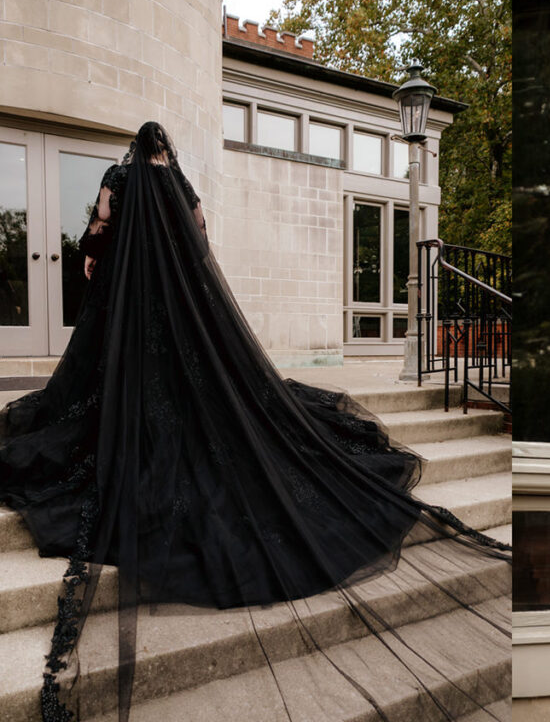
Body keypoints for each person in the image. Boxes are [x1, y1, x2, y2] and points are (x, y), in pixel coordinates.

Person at [0, 122, 510, 722]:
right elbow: (199, 240)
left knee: (112, 396)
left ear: (134, 149)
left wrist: (93, 260)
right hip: (182, 314)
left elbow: (97, 233)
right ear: (167, 151)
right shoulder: (181, 183)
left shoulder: (118, 177)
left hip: (128, 311)